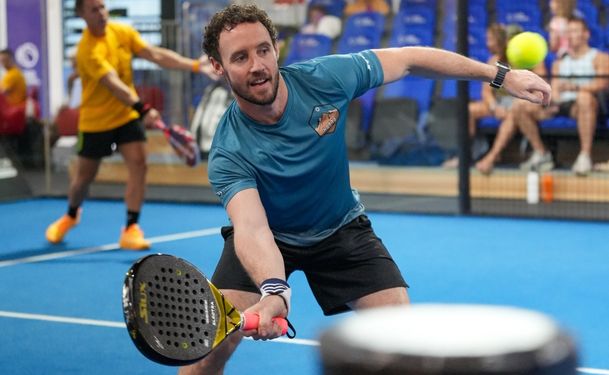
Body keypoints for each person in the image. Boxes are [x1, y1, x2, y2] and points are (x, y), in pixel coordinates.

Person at [178, 4, 551, 374]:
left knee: (402, 344)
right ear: (217, 67)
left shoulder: (326, 77)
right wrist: (274, 290)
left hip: (341, 229)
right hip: (272, 237)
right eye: (240, 57)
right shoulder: (228, 149)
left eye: (263, 50)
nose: (257, 65)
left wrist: (499, 76)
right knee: (207, 352)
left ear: (277, 49)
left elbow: (408, 58)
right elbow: (252, 228)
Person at [45, 0, 212, 250]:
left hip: (126, 117)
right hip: (96, 121)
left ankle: (131, 228)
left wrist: (196, 65)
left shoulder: (120, 31)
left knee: (139, 164)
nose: (101, 13)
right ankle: (71, 214)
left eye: (102, 7)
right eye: (93, 9)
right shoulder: (87, 50)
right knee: (83, 179)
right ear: (81, 14)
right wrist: (143, 109)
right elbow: (113, 84)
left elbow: (154, 54)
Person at [511, 17, 609, 176]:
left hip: (587, 106)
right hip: (561, 105)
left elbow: (602, 84)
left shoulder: (600, 57)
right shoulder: (559, 63)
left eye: (575, 31)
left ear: (586, 34)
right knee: (519, 106)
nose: (570, 35)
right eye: (568, 32)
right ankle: (542, 154)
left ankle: (585, 156)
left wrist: (576, 87)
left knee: (584, 98)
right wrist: (551, 103)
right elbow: (554, 90)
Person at [474, 27, 548, 175]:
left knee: (516, 110)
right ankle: (467, 154)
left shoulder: (532, 58)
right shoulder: (498, 61)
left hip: (524, 102)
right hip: (500, 103)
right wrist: (495, 107)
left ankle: (492, 156)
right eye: (509, 39)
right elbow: (487, 91)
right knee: (469, 110)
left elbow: (540, 88)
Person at [0, 48, 28, 135]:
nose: (3, 63)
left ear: (11, 59)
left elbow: (2, 93)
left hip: (11, 112)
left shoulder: (13, 75)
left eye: (5, 60)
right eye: (1, 60)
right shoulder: (12, 73)